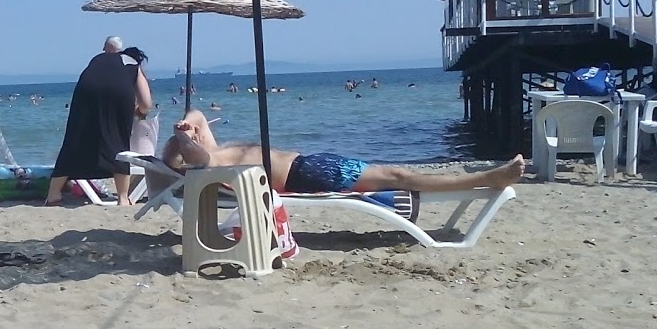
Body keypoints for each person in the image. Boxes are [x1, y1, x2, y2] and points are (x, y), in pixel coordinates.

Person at [159, 108, 525, 194]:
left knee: (396, 173)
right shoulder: (211, 163)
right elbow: (192, 154)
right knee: (398, 176)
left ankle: (480, 178)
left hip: (313, 164)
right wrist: (181, 141)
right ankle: (485, 178)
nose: (197, 134)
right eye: (191, 141)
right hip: (311, 175)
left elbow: (198, 116)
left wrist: (186, 123)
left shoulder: (219, 149)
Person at [45, 37, 153, 207]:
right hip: (120, 94)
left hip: (87, 91)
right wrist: (139, 112)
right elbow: (146, 103)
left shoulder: (97, 60)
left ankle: (53, 194)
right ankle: (123, 198)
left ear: (108, 48)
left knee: (75, 139)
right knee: (118, 142)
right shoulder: (132, 63)